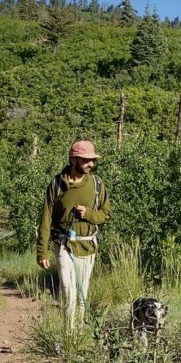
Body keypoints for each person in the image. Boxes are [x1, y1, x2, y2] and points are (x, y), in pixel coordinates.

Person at [37, 139, 110, 326]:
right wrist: (42, 251)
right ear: (73, 160)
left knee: (82, 291)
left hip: (87, 244)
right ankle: (67, 334)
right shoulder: (56, 184)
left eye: (92, 160)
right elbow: (46, 219)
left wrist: (89, 214)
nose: (90, 164)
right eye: (85, 160)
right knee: (67, 289)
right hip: (63, 244)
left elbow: (105, 214)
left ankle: (78, 335)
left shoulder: (97, 185)